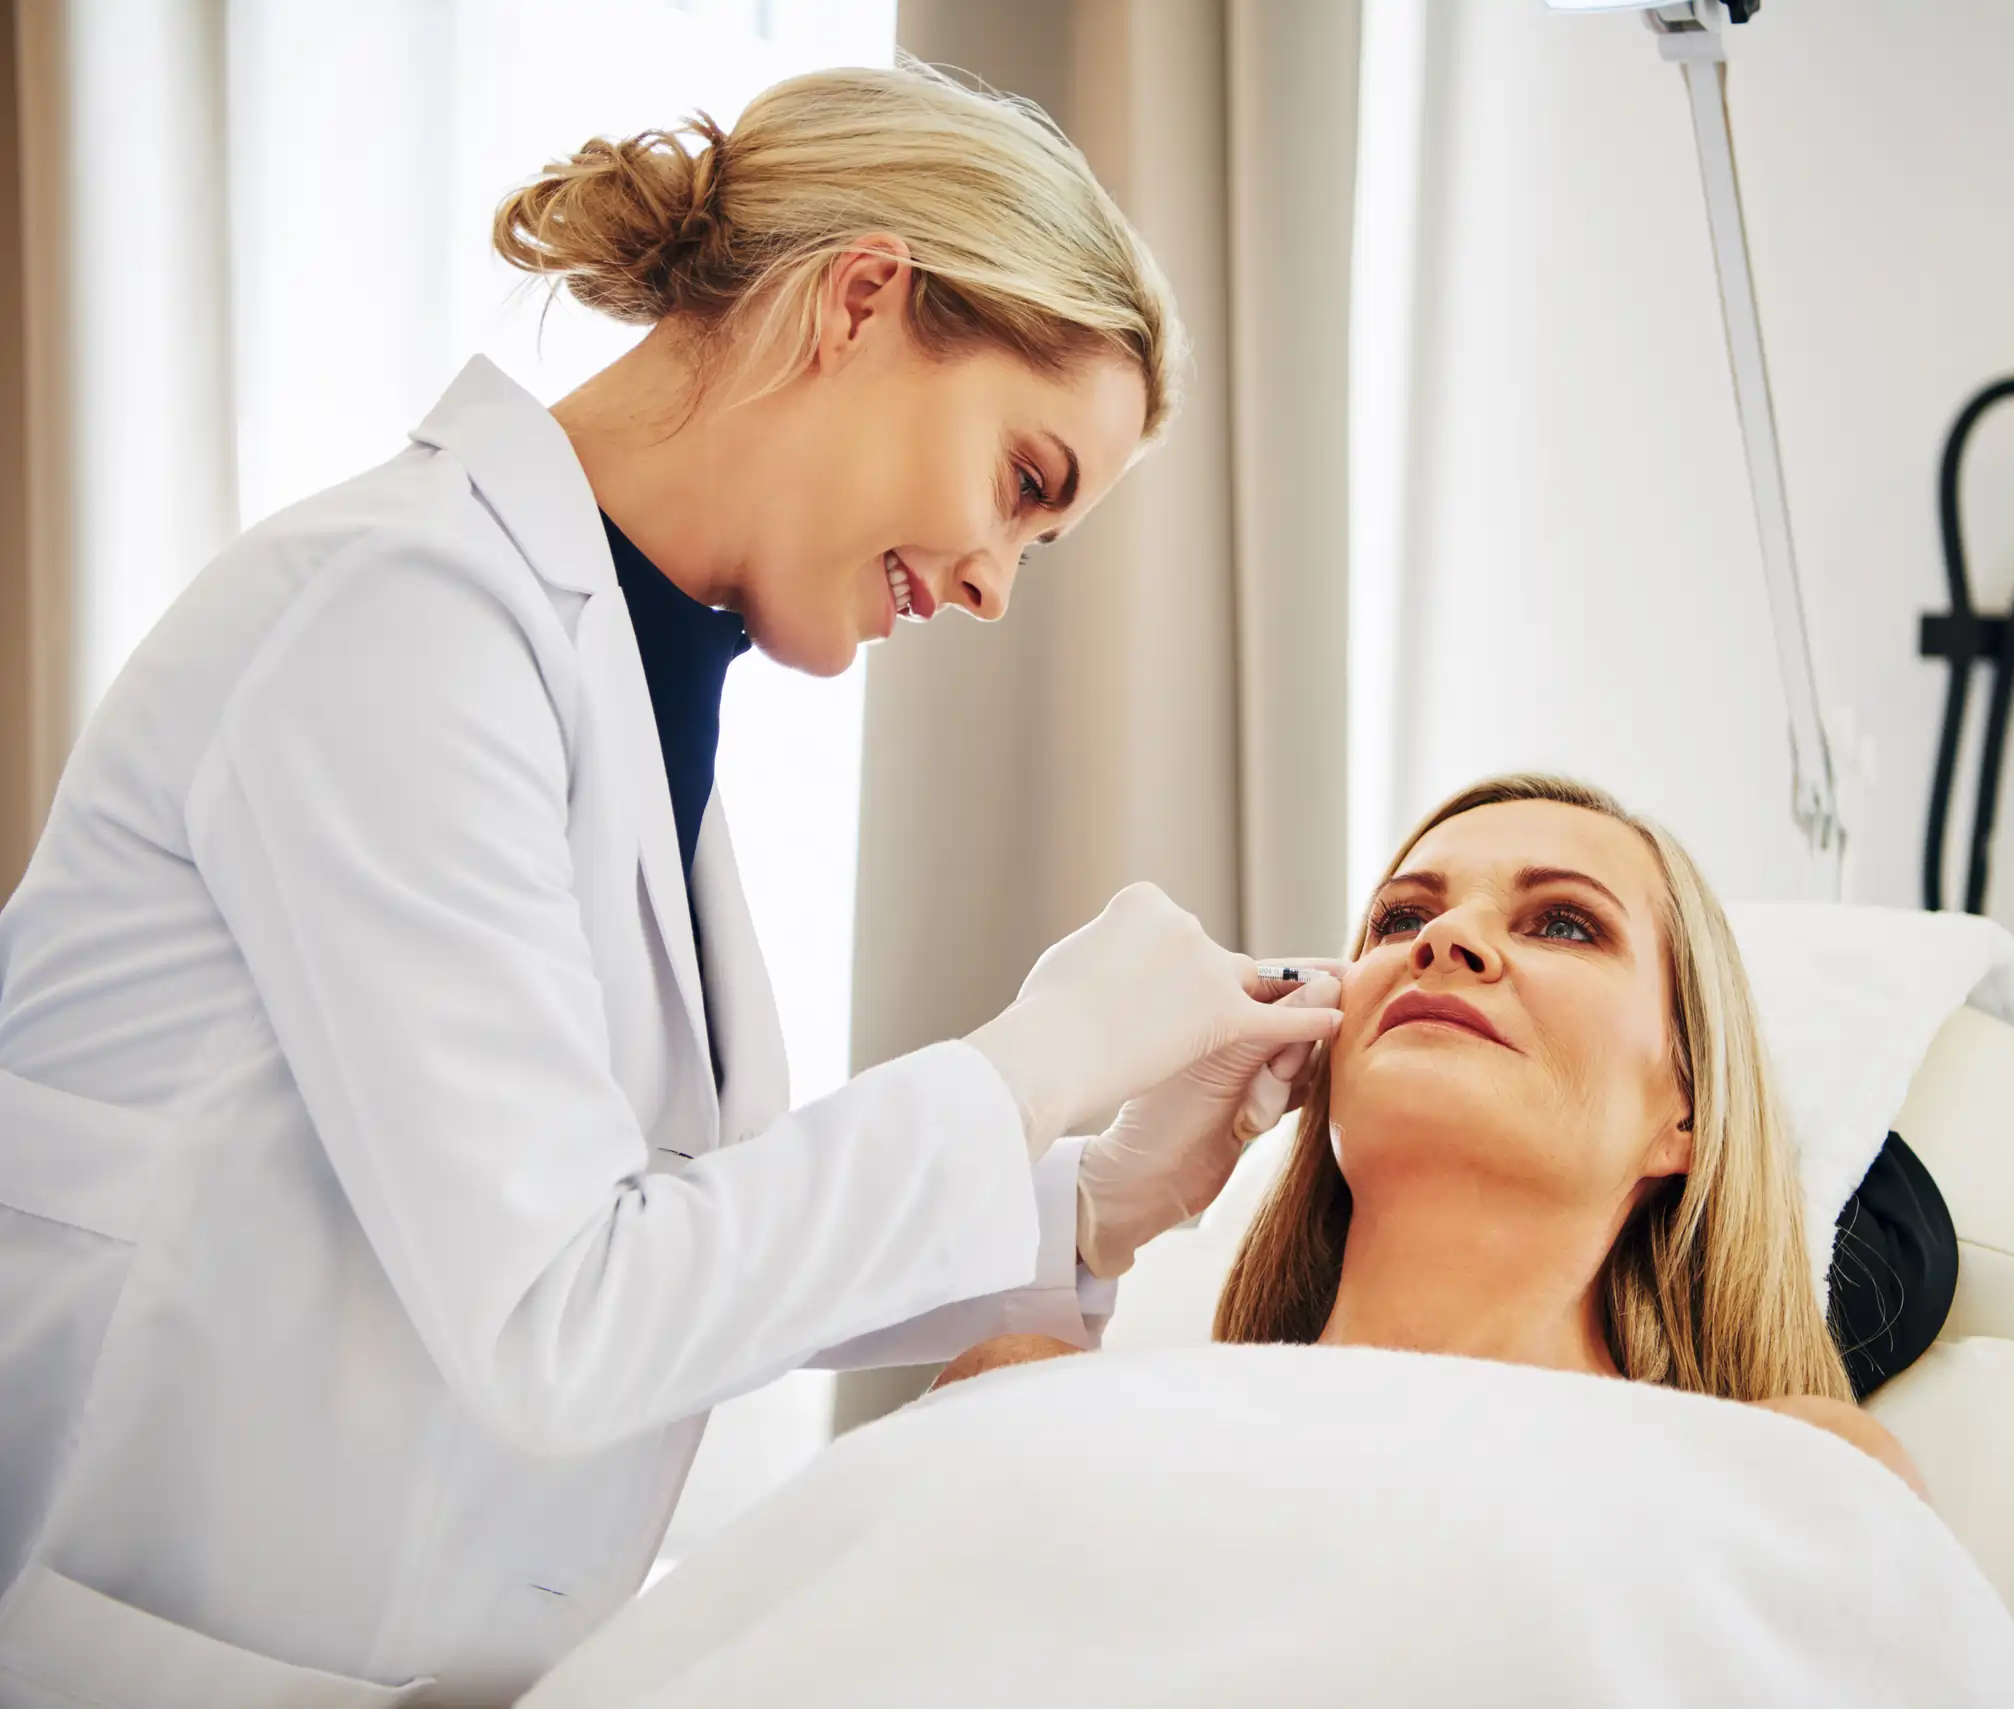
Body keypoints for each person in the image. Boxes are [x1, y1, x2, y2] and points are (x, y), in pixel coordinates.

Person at [0, 65, 1337, 1705]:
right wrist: (1045, 1046)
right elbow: (572, 1311)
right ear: (863, 299)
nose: (997, 582)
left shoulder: (626, 680)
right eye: (1026, 482)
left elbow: (682, 1247)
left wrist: (1104, 1196)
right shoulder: (401, 614)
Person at [940, 773, 1929, 1494]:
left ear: (1685, 1110)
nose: (1444, 939)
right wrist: (1104, 1196)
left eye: (1565, 923)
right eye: (1400, 914)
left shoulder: (1794, 1475)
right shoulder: (1028, 1405)